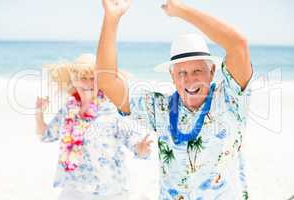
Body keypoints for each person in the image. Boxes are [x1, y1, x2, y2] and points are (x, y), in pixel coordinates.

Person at [96, 0, 253, 199]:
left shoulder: (230, 99)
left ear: (212, 71)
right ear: (172, 77)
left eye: (197, 71)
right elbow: (107, 81)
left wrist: (180, 10)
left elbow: (238, 44)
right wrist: (112, 18)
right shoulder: (160, 108)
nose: (189, 79)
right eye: (181, 73)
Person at [35, 54, 152, 200]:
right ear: (75, 81)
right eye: (83, 78)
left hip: (109, 191)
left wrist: (141, 148)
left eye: (93, 79)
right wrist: (39, 111)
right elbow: (45, 134)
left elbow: (135, 144)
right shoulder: (69, 109)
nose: (89, 83)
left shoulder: (113, 110)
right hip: (74, 188)